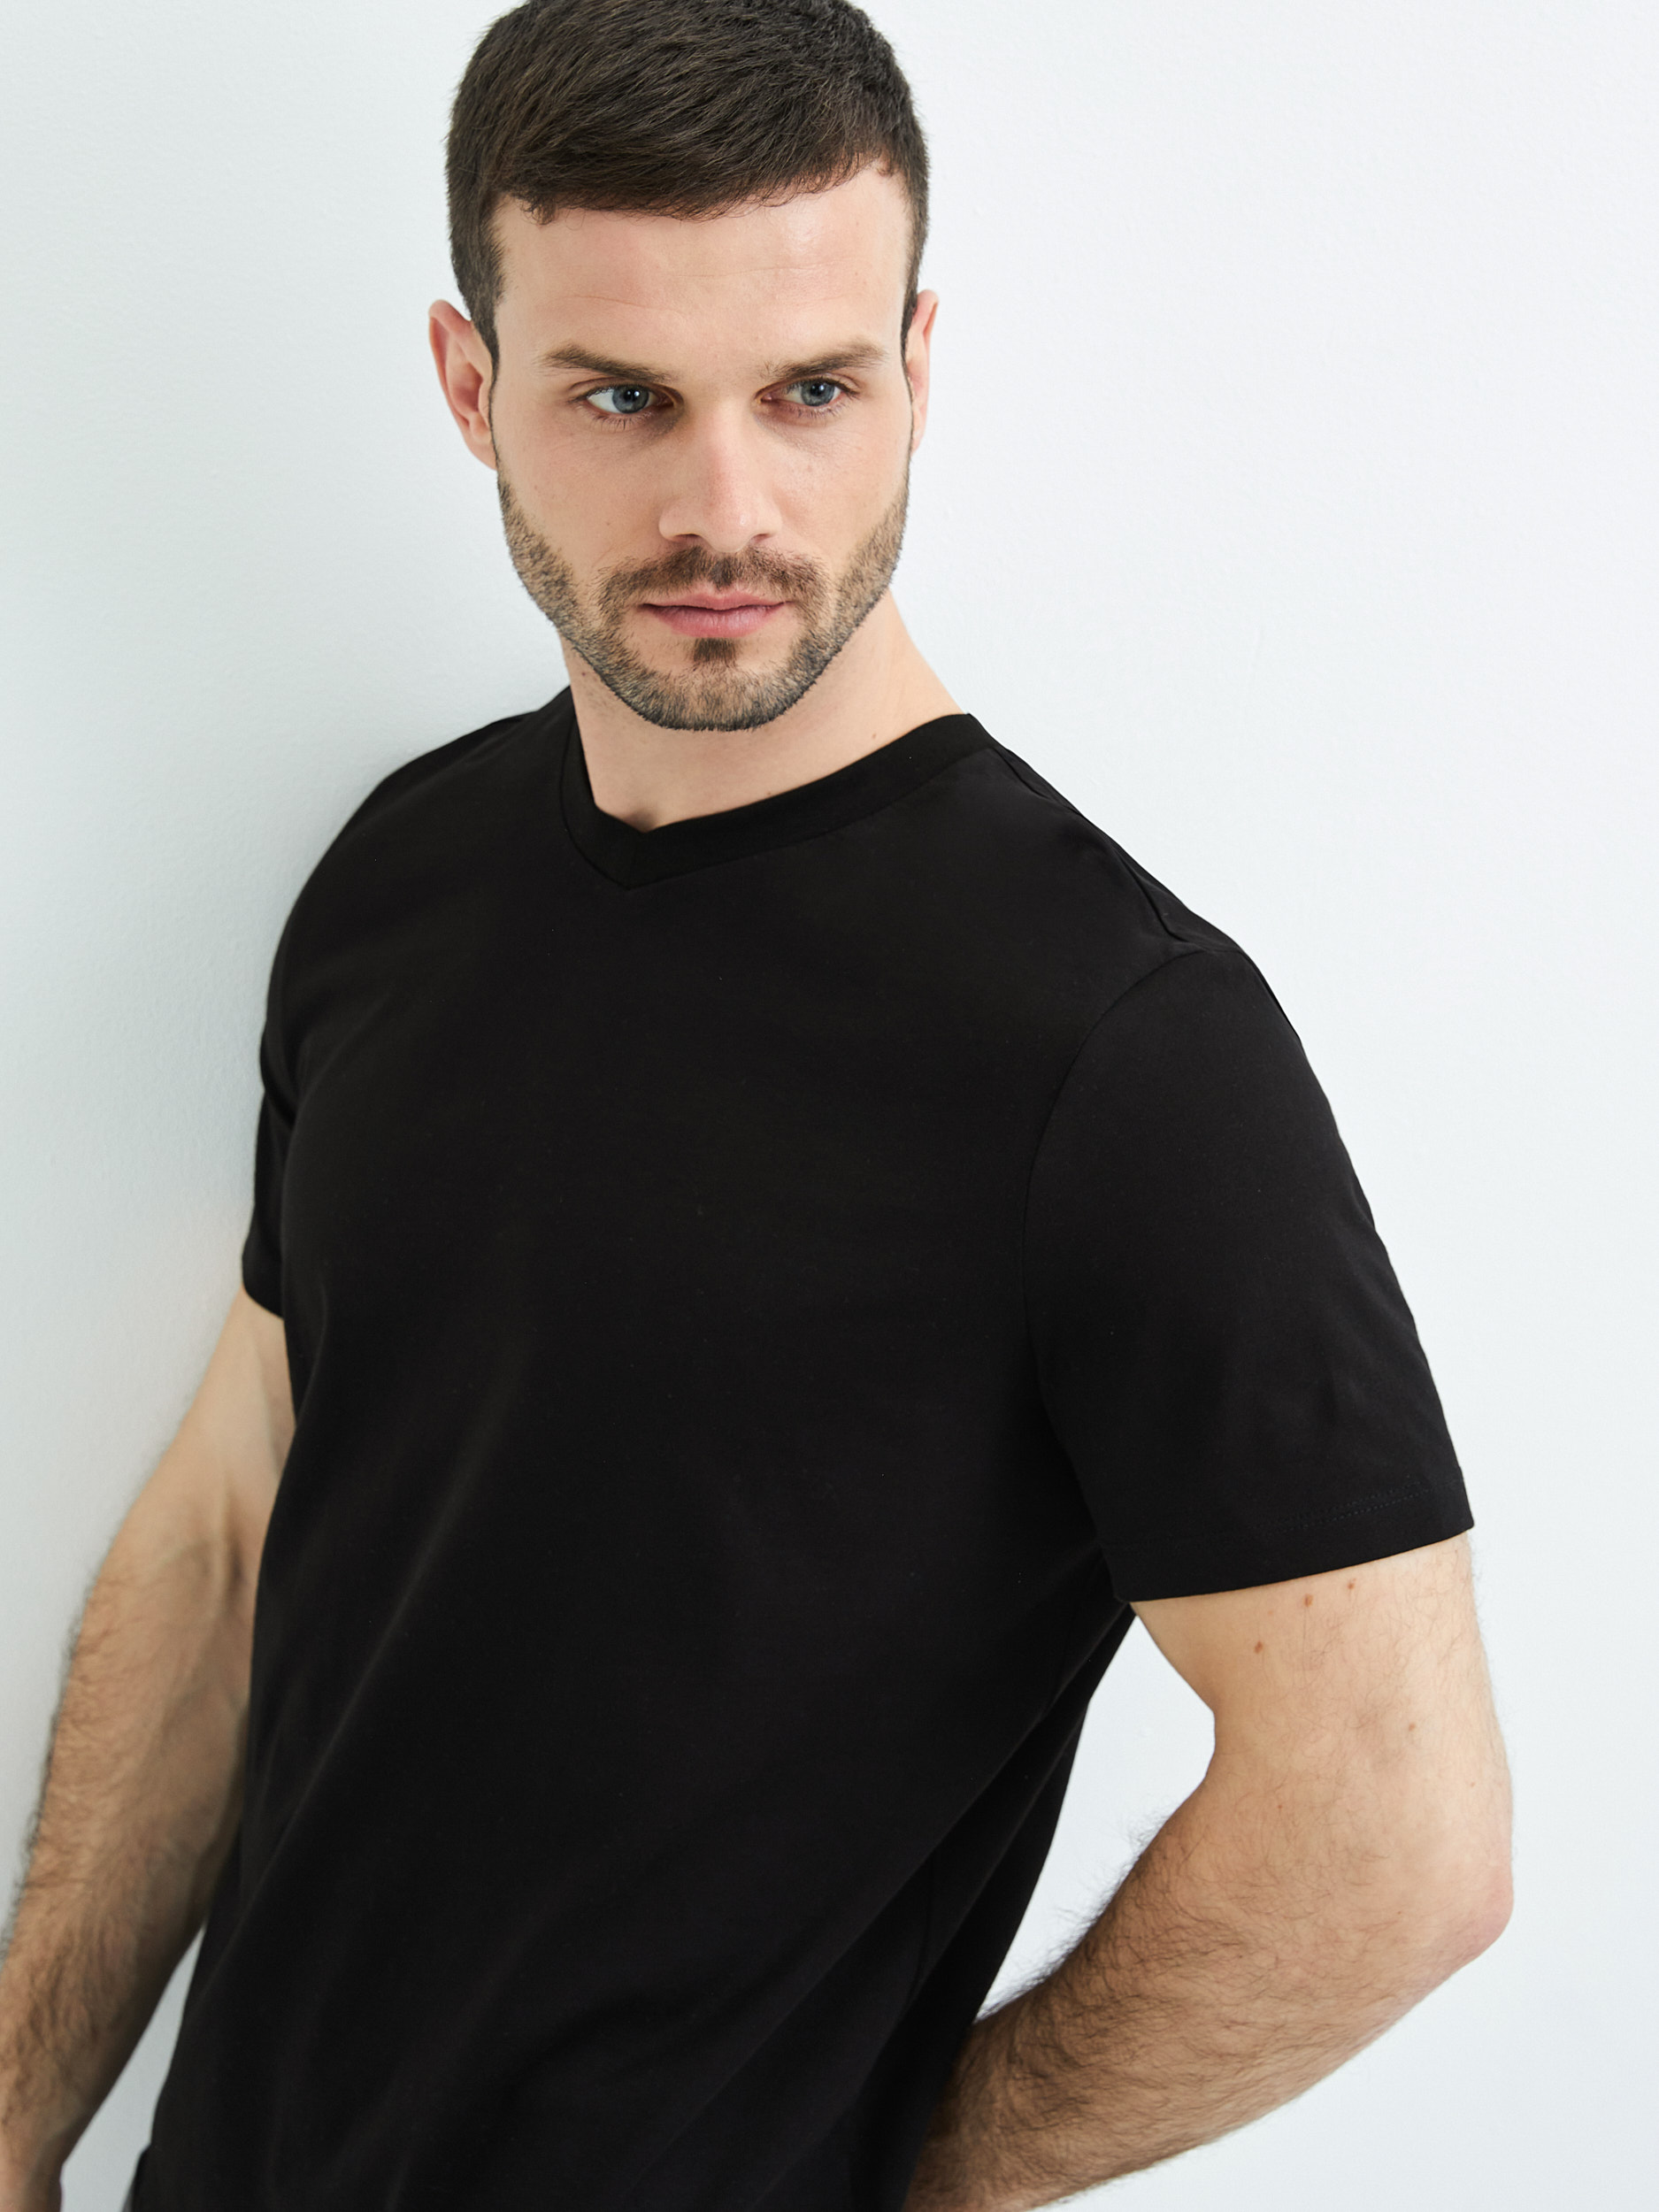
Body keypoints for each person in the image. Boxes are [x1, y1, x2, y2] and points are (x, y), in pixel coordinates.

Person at [0, 3, 1512, 2208]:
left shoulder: (1122, 1050)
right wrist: (18, 2116)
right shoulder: (398, 878)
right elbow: (238, 1515)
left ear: (917, 365)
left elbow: (1397, 1839)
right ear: (468, 385)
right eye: (621, 396)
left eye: (810, 391)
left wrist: (883, 2173)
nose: (727, 509)